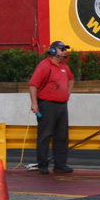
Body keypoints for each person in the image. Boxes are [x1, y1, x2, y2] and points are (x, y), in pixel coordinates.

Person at [29, 41, 74, 174]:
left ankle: (60, 164)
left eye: (65, 49)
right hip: (47, 104)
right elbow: (33, 85)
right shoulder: (44, 66)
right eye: (62, 49)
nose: (65, 51)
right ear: (53, 51)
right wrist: (34, 103)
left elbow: (71, 79)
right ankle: (42, 164)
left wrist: (67, 93)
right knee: (45, 135)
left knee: (62, 136)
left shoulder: (64, 66)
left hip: (62, 105)